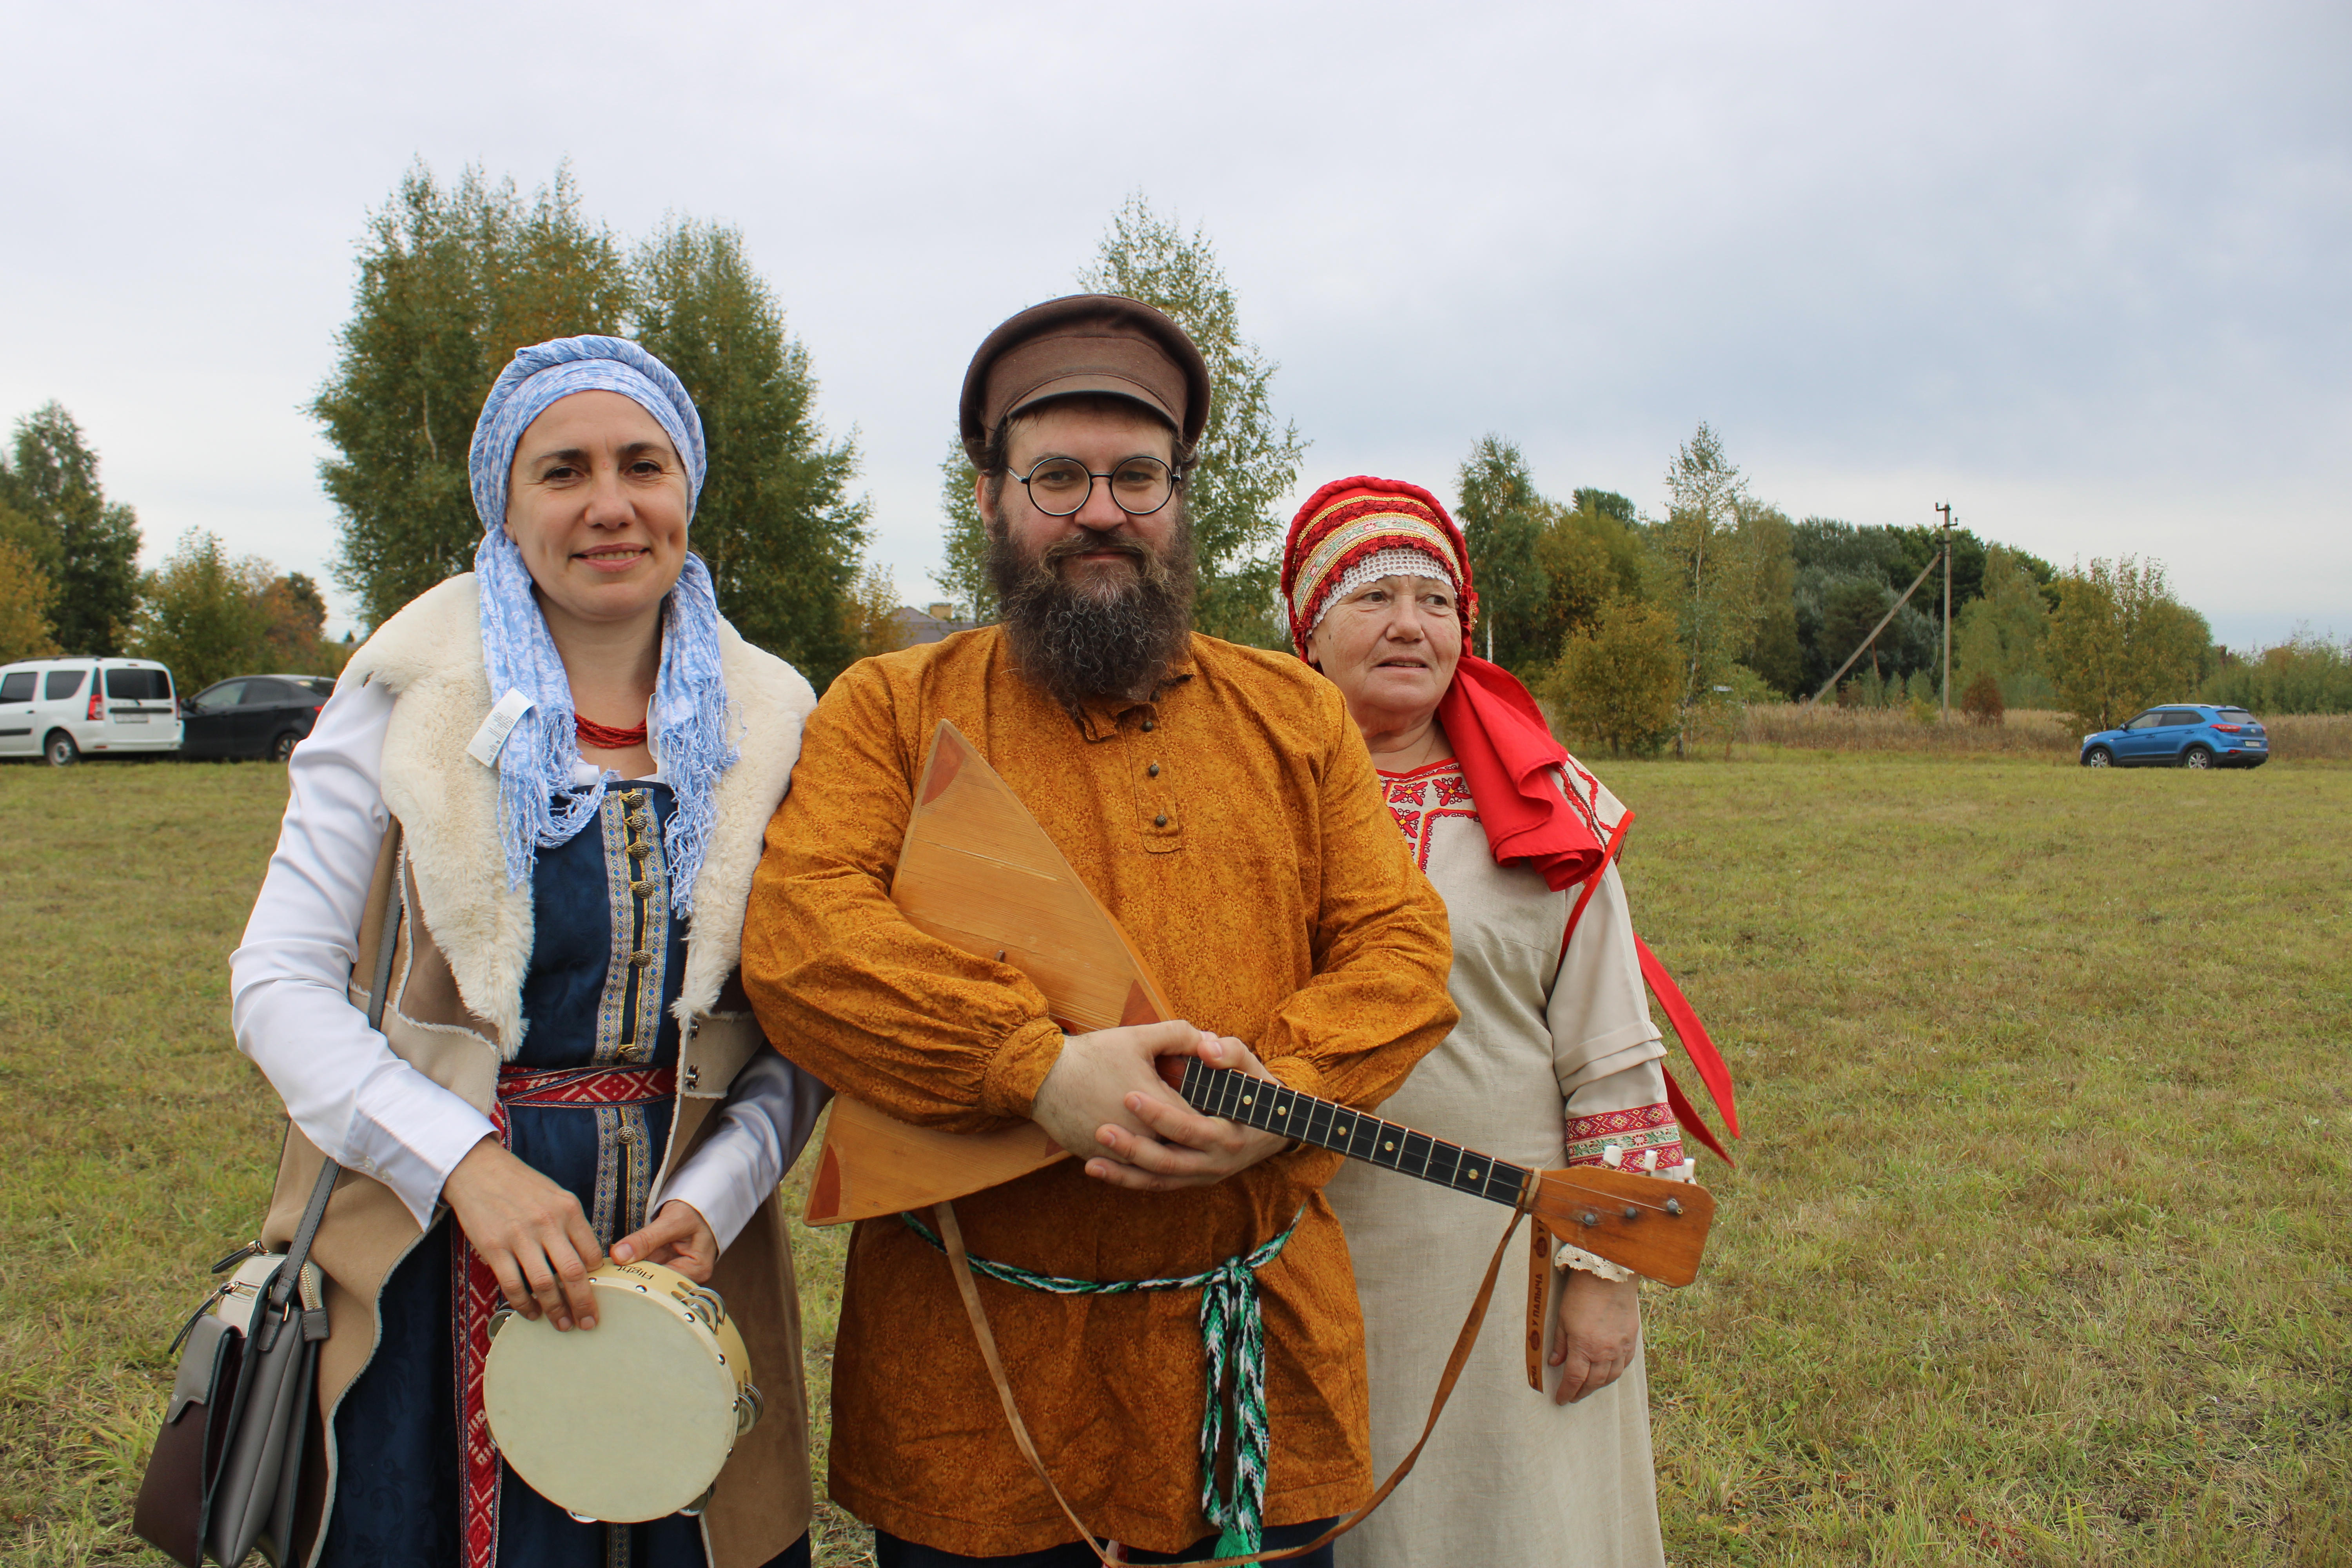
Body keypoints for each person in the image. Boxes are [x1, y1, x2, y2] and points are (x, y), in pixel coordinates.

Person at [739, 296, 1458, 1568]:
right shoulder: (891, 710)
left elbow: (1401, 949)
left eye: (1137, 476)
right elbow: (806, 940)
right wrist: (1034, 1071)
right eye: (1057, 477)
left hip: (1258, 1356)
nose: (1101, 512)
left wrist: (1280, 1094)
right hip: (975, 1372)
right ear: (990, 498)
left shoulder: (1291, 709)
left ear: (1181, 494)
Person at [229, 335, 827, 1568]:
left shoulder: (775, 719)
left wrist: (709, 1205)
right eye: (563, 472)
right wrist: (469, 1169)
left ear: (687, 491)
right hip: (423, 1230)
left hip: (680, 1252)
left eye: (642, 466)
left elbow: (804, 1024)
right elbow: (278, 982)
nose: (610, 506)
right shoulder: (406, 692)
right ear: (507, 503)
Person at [1280, 476, 1702, 1568]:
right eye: (1373, 597)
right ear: (1309, 630)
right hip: (1293, 1241)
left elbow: (1611, 1056)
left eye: (1437, 600)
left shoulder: (1546, 817)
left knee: (1519, 1524)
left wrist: (1602, 1278)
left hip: (1503, 1243)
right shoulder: (1251, 803)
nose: (1411, 625)